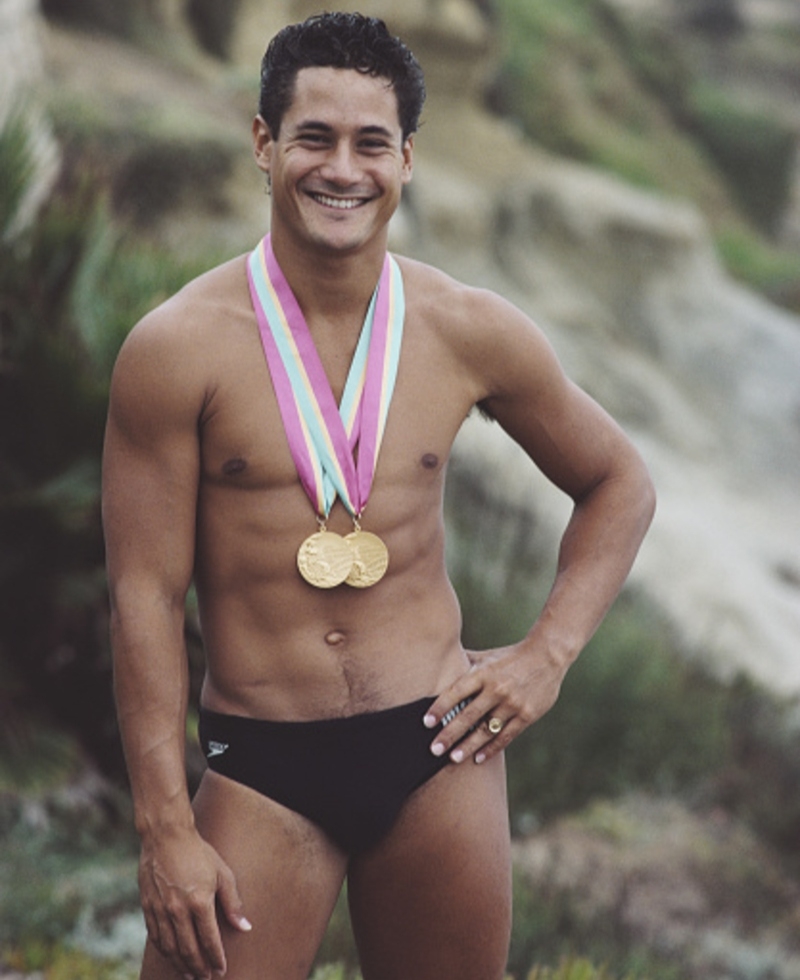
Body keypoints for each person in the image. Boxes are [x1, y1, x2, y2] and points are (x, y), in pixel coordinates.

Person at [102, 12, 656, 980]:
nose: (341, 169)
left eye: (370, 143)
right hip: (264, 763)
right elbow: (143, 596)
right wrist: (163, 825)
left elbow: (618, 481)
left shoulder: (467, 329)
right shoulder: (175, 347)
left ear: (406, 159)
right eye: (313, 137)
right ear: (264, 144)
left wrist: (544, 656)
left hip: (438, 751)